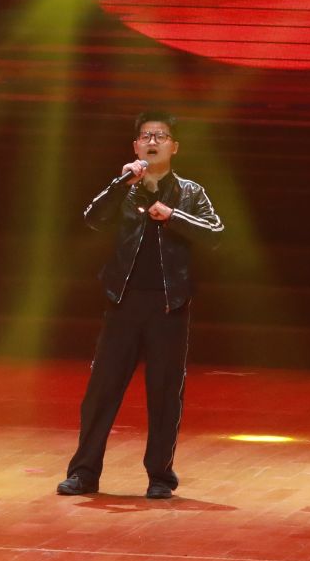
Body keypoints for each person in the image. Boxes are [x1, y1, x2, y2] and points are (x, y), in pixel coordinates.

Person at [56, 111, 224, 500]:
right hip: (123, 303)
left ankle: (160, 477)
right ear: (135, 146)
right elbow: (93, 218)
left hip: (168, 306)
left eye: (161, 136)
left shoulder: (190, 193)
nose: (152, 141)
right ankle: (84, 473)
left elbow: (216, 233)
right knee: (101, 391)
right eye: (146, 136)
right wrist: (120, 184)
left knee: (164, 394)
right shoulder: (125, 188)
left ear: (174, 147)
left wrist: (173, 216)